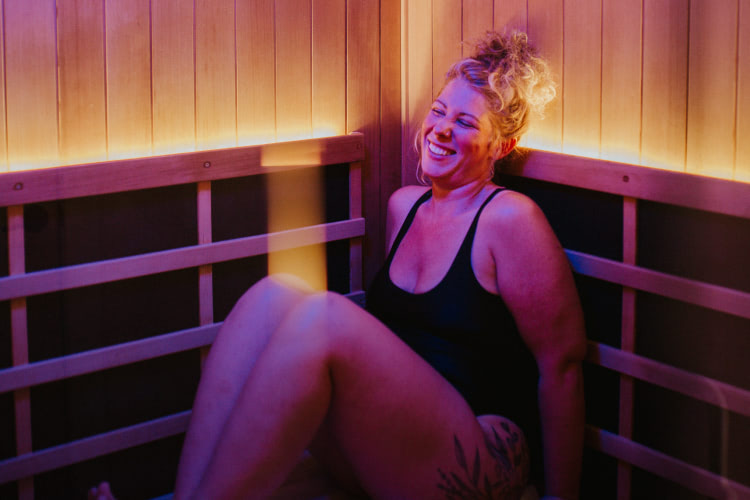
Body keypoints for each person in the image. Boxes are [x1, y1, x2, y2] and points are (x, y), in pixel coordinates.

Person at [90, 30, 585, 500]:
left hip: (476, 455)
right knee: (273, 295)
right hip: (394, 446)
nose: (440, 129)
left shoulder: (509, 218)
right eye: (439, 111)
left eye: (465, 123)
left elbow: (560, 366)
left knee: (323, 317)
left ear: (502, 147)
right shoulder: (404, 206)